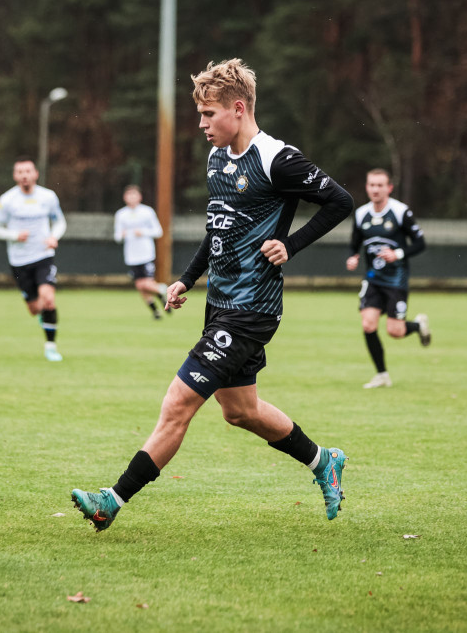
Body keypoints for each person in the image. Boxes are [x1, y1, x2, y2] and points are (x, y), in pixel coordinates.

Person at [71, 58, 355, 531]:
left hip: (252, 309)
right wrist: (187, 277)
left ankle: (111, 501)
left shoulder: (276, 159)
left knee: (178, 403)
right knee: (240, 411)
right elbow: (217, 229)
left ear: (238, 109)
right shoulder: (217, 158)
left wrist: (292, 243)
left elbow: (340, 200)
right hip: (220, 304)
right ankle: (323, 460)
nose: (201, 125)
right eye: (200, 115)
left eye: (208, 114)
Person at [345, 168, 431, 389]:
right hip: (373, 279)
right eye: (371, 185)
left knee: (395, 331)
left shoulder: (401, 212)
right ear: (367, 187)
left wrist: (398, 254)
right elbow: (355, 243)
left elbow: (420, 243)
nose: (375, 189)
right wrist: (353, 257)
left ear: (389, 188)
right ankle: (382, 375)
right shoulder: (362, 214)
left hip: (396, 280)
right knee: (368, 324)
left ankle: (418, 325)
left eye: (380, 185)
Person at [0, 156, 67, 361]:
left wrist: (53, 237)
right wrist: (14, 235)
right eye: (20, 172)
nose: (24, 175)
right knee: (34, 309)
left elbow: (60, 223)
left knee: (48, 299)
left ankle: (51, 346)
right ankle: (43, 316)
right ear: (15, 176)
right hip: (19, 261)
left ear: (35, 174)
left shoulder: (48, 197)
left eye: (28, 171)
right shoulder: (7, 200)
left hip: (43, 256)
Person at [114, 184, 169, 320]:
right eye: (129, 195)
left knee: (145, 283)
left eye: (134, 194)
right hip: (132, 256)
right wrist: (122, 234)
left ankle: (163, 290)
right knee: (141, 286)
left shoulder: (147, 211)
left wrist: (143, 232)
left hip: (146, 254)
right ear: (125, 197)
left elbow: (158, 231)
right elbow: (117, 236)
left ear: (139, 197)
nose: (131, 197)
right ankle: (156, 311)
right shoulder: (121, 214)